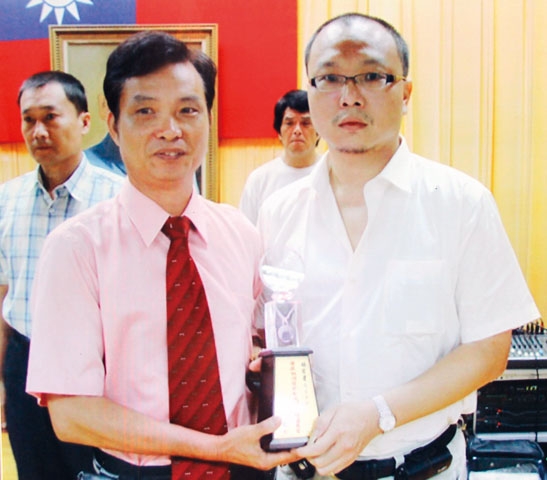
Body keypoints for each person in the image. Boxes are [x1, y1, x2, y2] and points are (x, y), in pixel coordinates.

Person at [257, 13, 540, 480]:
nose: (349, 95)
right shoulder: (278, 212)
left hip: (422, 468)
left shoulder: (461, 203)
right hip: (304, 470)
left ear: (406, 94)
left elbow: (490, 349)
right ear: (310, 91)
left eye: (372, 76)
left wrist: (379, 414)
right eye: (330, 78)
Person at [26, 31, 299, 479]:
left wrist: (260, 359)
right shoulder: (76, 249)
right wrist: (215, 448)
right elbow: (72, 414)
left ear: (208, 118)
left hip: (246, 467)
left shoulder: (241, 234)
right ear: (114, 126)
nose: (170, 130)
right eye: (145, 111)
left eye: (188, 110)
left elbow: (258, 340)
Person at [0, 70, 123, 479]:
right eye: (29, 120)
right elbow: (4, 294)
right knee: (33, 471)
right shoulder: (6, 200)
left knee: (95, 472)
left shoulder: (117, 198)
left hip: (95, 366)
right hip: (24, 359)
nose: (38, 131)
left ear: (84, 122)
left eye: (50, 117)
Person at [239, 89, 319, 224]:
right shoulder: (259, 180)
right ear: (279, 132)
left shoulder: (332, 174)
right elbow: (245, 232)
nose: (297, 130)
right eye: (289, 123)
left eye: (306, 123)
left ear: (319, 131)